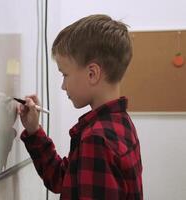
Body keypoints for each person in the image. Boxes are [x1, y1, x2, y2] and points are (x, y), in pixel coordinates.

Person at [18, 14, 143, 199]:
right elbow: (62, 179)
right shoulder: (121, 124)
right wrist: (34, 131)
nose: (63, 85)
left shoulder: (97, 139)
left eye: (65, 75)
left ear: (92, 74)